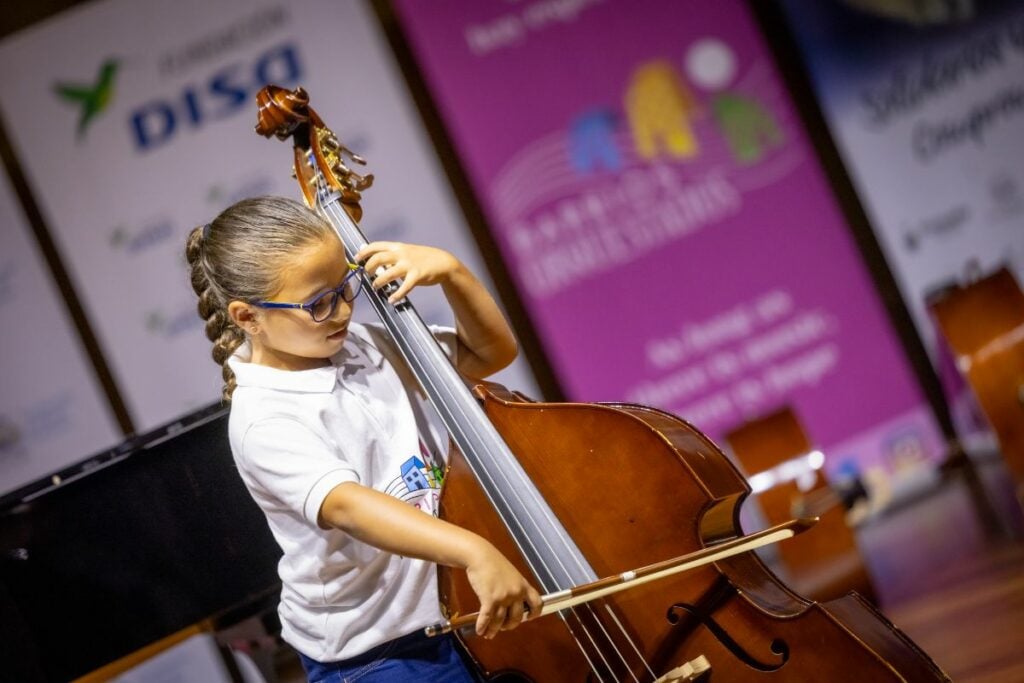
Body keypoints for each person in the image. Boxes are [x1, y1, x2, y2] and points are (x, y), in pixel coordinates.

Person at [185, 196, 542, 682]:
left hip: (455, 610)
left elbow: (488, 354)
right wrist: (473, 551)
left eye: (344, 287)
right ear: (248, 317)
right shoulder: (263, 417)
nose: (342, 311)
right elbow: (350, 507)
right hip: (379, 650)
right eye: (317, 303)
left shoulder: (364, 343)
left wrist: (453, 273)